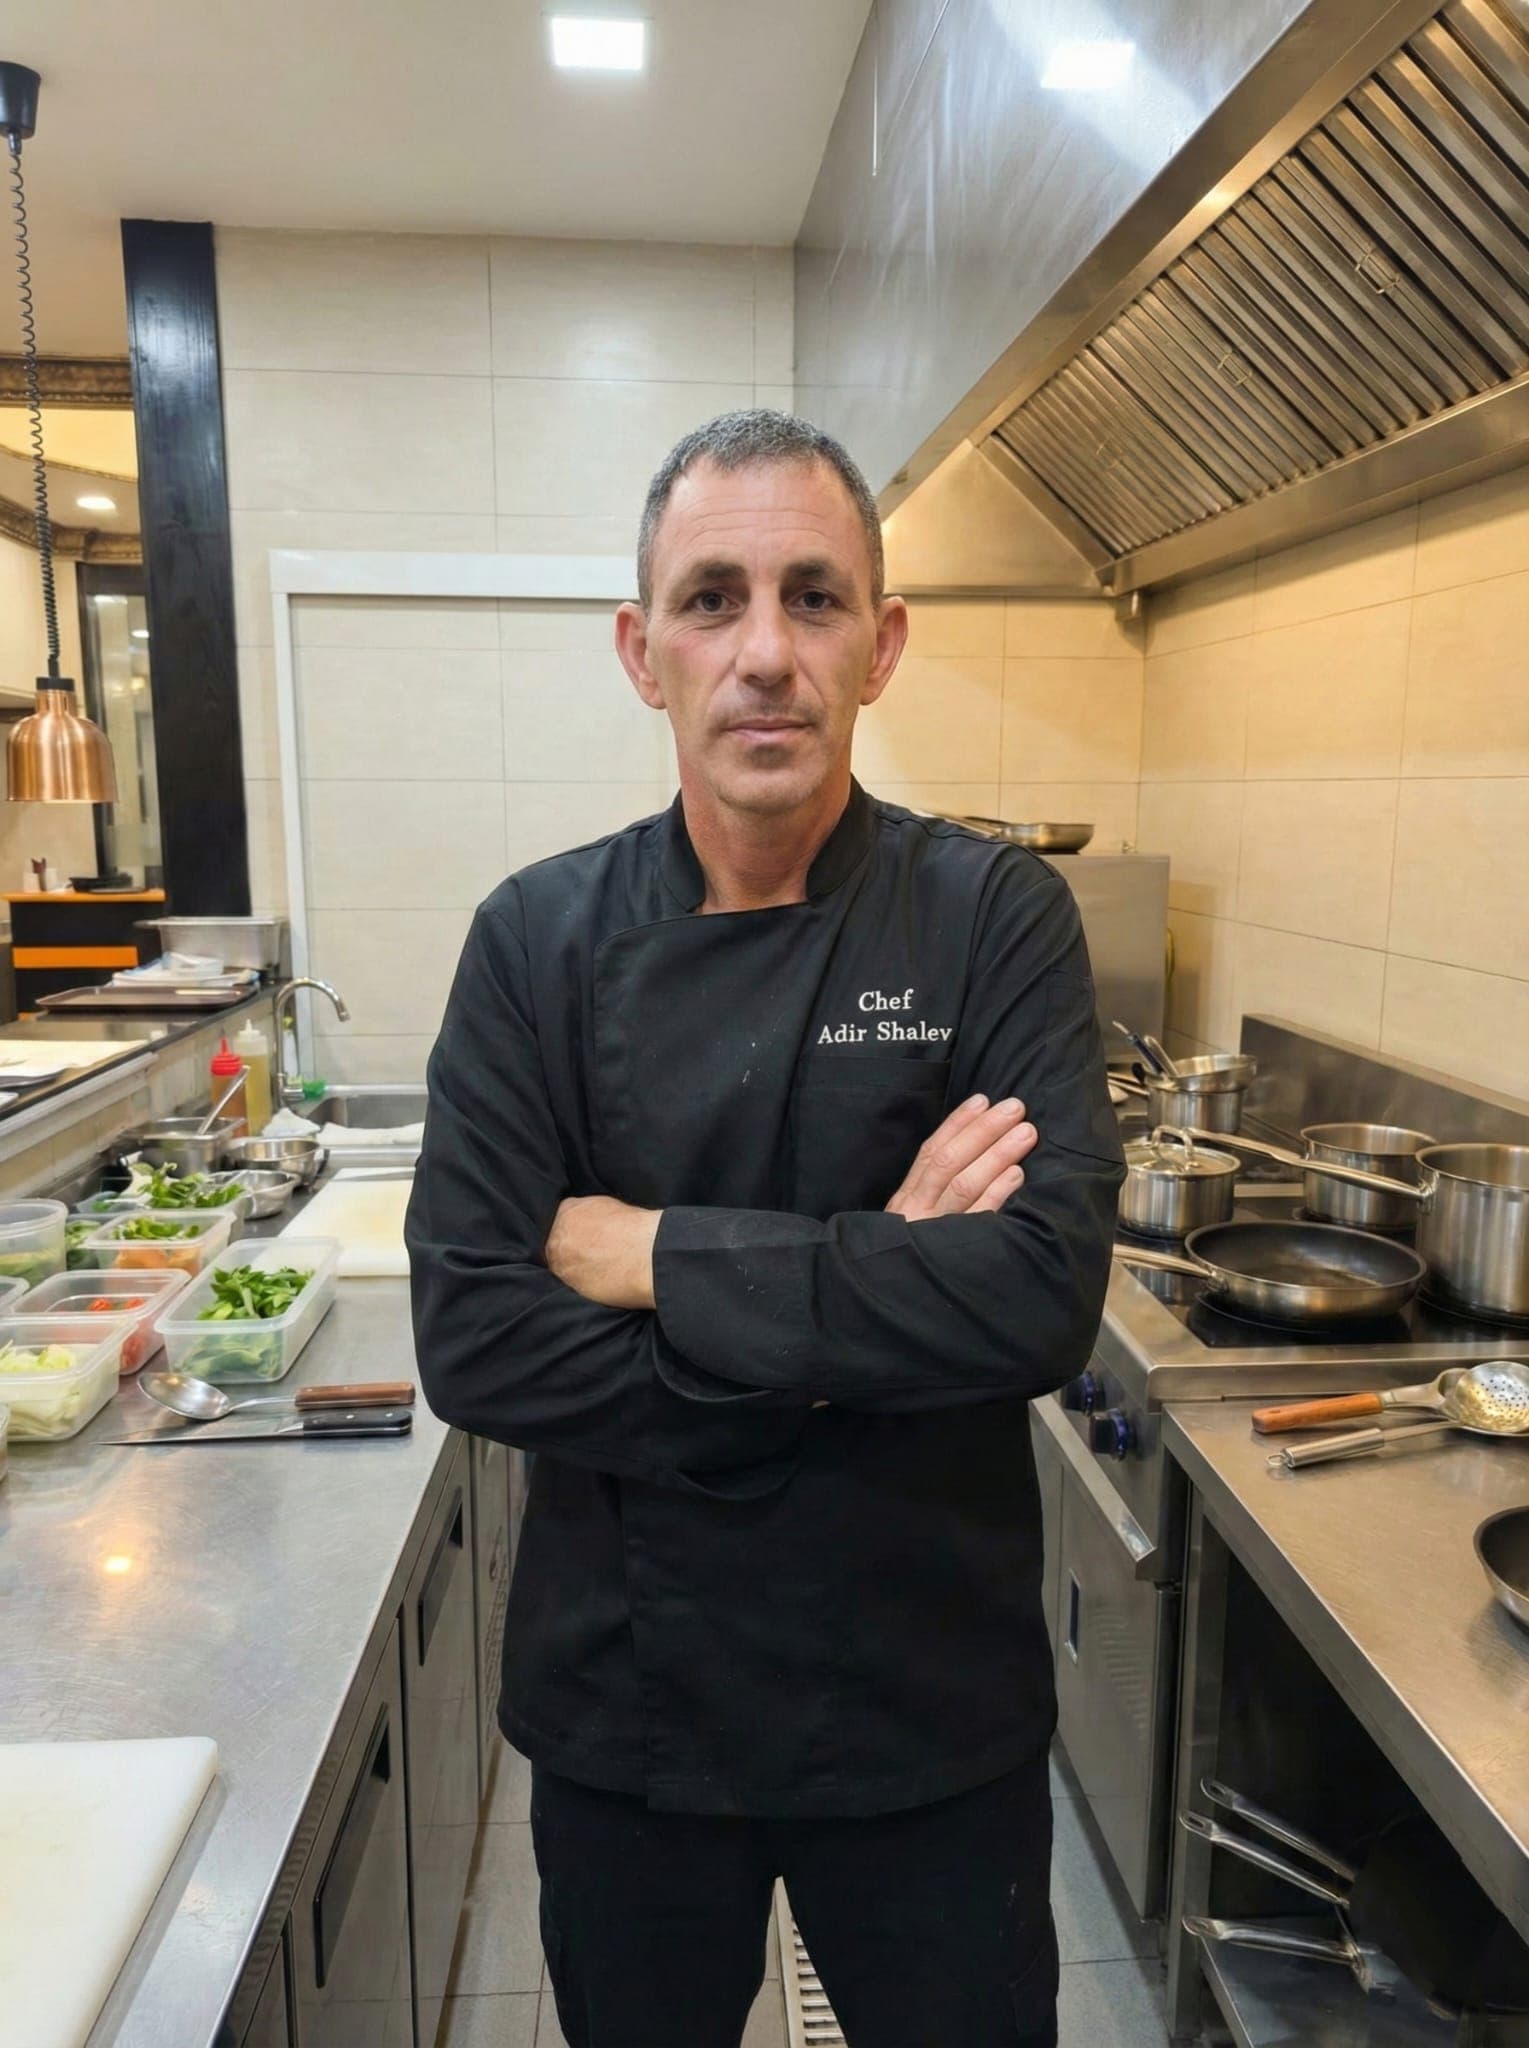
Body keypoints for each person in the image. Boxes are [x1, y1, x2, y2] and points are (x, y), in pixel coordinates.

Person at [406, 409, 1124, 2048]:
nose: (762, 654)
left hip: (927, 1717)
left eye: (811, 599)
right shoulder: (535, 942)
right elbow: (481, 1341)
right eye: (711, 599)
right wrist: (863, 1309)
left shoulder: (992, 916)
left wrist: (655, 1261)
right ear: (638, 650)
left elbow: (1031, 1304)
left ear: (879, 647)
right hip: (631, 1718)